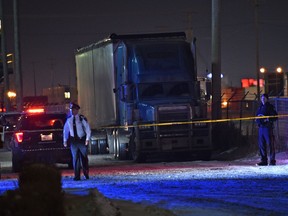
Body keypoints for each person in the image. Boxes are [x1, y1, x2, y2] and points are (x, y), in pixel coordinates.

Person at [63, 102, 91, 180]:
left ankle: (86, 173)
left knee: (84, 158)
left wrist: (87, 139)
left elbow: (87, 129)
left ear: (77, 110)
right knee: (75, 159)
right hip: (73, 141)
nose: (72, 111)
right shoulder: (69, 120)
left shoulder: (82, 119)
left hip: (81, 140)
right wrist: (65, 140)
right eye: (71, 109)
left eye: (74, 110)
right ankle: (77, 176)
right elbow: (66, 130)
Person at [255, 93, 278, 166]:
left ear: (267, 99)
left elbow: (275, 117)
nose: (263, 99)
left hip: (267, 128)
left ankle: (272, 161)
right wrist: (257, 120)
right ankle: (264, 161)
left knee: (270, 144)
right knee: (262, 145)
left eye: (264, 98)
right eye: (262, 98)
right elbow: (256, 117)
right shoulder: (260, 108)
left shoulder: (270, 107)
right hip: (261, 128)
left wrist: (268, 119)